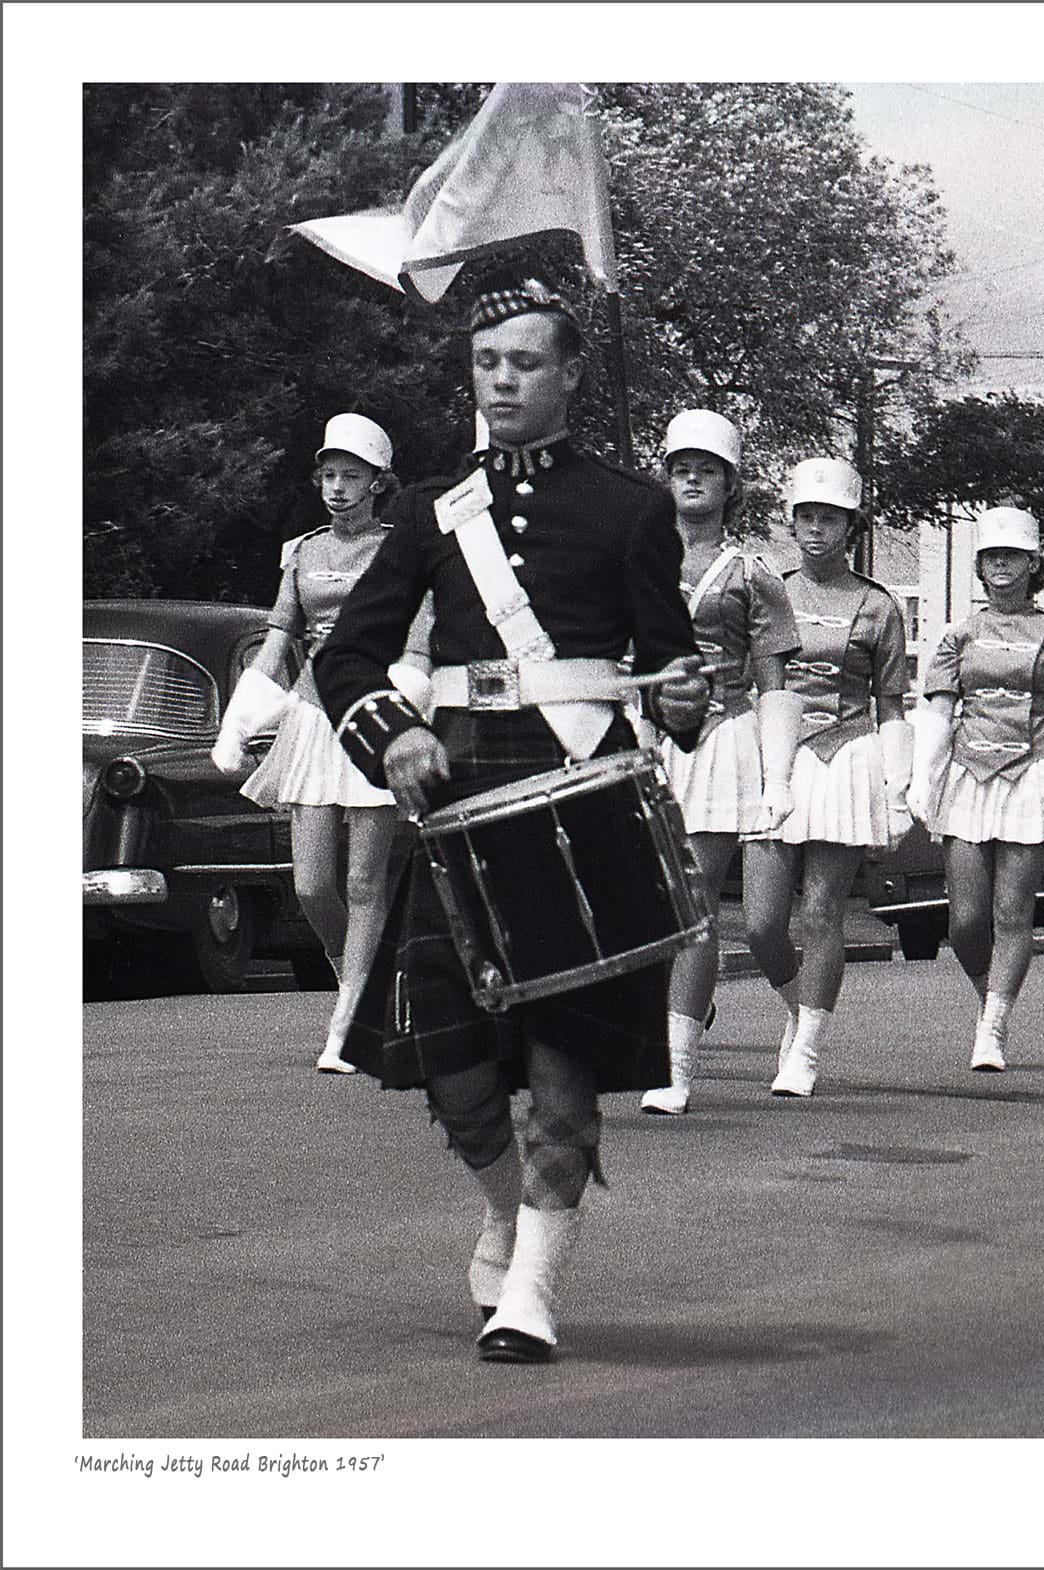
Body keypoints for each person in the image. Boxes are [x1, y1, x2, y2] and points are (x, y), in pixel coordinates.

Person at [310, 274, 711, 1363]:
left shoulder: (632, 507)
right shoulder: (432, 510)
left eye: (524, 362)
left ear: (570, 373)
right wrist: (393, 733)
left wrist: (684, 698)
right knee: (455, 1068)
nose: (501, 381)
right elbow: (347, 655)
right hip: (462, 802)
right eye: (486, 363)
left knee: (566, 1075)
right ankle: (503, 1208)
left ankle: (532, 1293)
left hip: (587, 801)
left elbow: (671, 668)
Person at [213, 413, 427, 1075]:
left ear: (378, 482)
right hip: (311, 715)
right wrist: (239, 720)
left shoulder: (402, 549)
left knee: (364, 880)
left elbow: (419, 638)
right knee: (310, 884)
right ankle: (353, 976)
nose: (337, 487)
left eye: (351, 476)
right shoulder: (302, 553)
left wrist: (403, 706)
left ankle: (350, 1016)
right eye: (329, 475)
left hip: (373, 713)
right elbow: (279, 639)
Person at [638, 411, 803, 1115]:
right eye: (681, 469)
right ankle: (687, 1004)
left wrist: (778, 777)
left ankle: (676, 1068)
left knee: (693, 899)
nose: (693, 480)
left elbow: (774, 685)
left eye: (707, 470)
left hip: (720, 737)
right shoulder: (633, 558)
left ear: (730, 484)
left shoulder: (752, 574)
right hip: (643, 735)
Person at [746, 456, 915, 1097]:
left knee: (820, 912)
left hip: (844, 756)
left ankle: (808, 1048)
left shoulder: (878, 604)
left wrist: (898, 789)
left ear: (851, 527)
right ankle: (798, 1005)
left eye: (831, 519)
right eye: (807, 517)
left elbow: (891, 705)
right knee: (762, 923)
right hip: (775, 754)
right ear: (792, 523)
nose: (817, 529)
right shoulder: (768, 590)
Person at [912, 506, 1044, 1071]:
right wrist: (923, 775)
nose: (1001, 564)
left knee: (1013, 911)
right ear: (979, 564)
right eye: (992, 555)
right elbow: (940, 709)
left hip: (1029, 773)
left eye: (1012, 556)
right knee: (966, 921)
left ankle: (994, 1024)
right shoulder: (957, 635)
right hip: (969, 774)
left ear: (1033, 563)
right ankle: (988, 999)